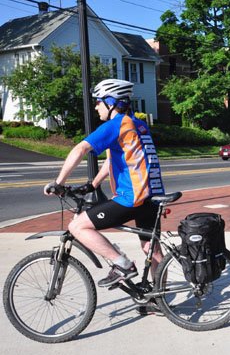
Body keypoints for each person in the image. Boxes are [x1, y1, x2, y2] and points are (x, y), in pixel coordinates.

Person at [44, 78, 165, 289]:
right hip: (151, 195)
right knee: (152, 250)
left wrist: (58, 182)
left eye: (99, 101)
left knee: (77, 226)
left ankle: (123, 264)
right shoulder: (138, 124)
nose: (96, 106)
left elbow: (80, 149)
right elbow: (113, 159)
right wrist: (93, 184)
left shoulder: (116, 124)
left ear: (111, 102)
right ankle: (160, 298)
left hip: (132, 198)